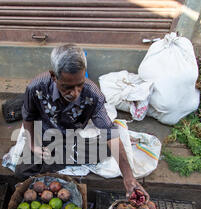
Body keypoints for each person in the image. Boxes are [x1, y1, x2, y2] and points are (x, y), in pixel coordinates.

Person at [15, 44, 149, 199]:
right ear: (54, 76)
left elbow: (109, 132)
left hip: (73, 139)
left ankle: (57, 159)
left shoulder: (92, 93)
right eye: (67, 87)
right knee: (22, 171)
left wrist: (129, 177)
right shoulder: (36, 86)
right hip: (46, 136)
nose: (75, 93)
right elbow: (28, 115)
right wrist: (32, 144)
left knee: (105, 150)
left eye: (80, 85)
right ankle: (59, 157)